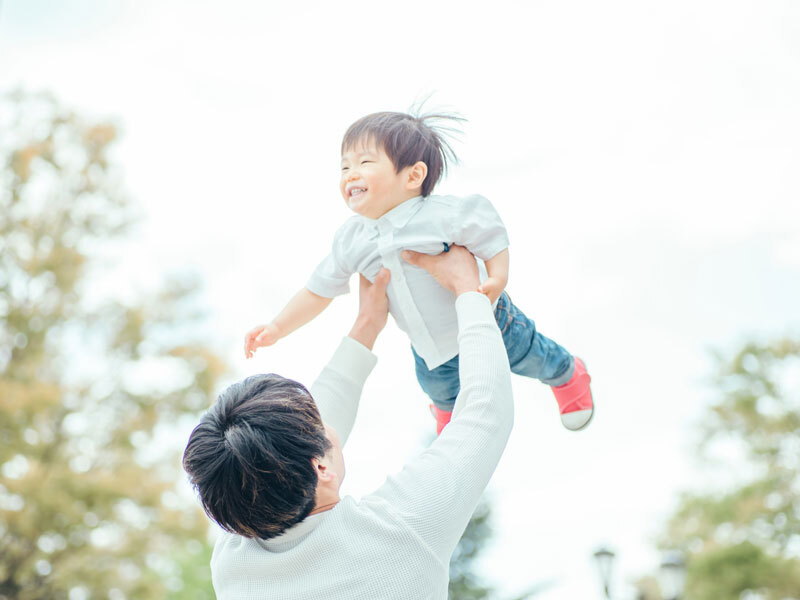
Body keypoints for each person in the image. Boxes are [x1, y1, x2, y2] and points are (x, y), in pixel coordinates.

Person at [184, 246, 514, 599]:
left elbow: (276, 457)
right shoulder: (402, 529)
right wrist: (468, 290)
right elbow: (486, 411)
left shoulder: (234, 565)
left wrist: (367, 325)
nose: (327, 423)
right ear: (321, 466)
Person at [244, 111, 593, 433]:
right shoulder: (352, 238)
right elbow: (317, 290)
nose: (351, 173)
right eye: (344, 166)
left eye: (365, 162)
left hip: (492, 322)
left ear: (413, 175)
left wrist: (498, 277)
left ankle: (566, 374)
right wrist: (277, 327)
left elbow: (490, 233)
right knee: (440, 389)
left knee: (531, 356)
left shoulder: (440, 215)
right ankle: (445, 412)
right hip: (429, 348)